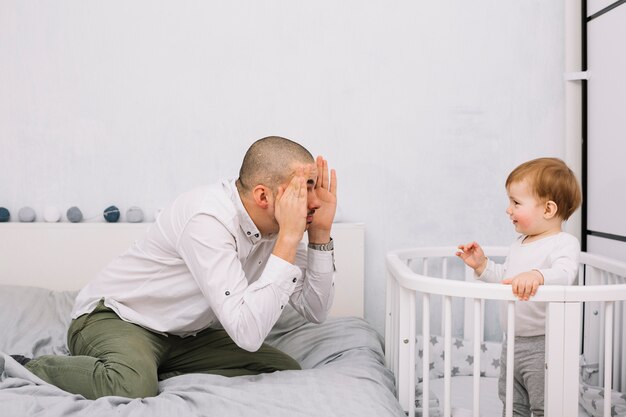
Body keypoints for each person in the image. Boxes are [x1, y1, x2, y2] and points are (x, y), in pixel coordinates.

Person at [15, 136, 338, 400]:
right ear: (263, 195)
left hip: (182, 335)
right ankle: (30, 366)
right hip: (117, 317)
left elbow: (315, 311)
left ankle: (150, 365)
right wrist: (291, 238)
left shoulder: (278, 225)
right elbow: (248, 332)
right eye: (303, 187)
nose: (312, 201)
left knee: (281, 368)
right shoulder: (207, 218)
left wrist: (320, 234)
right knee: (131, 387)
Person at [456, 157, 582, 417]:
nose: (508, 209)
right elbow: (507, 277)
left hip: (544, 343)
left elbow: (565, 274)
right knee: (513, 402)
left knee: (544, 404)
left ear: (548, 210)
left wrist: (537, 275)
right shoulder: (520, 243)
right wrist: (481, 265)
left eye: (516, 202)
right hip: (512, 342)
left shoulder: (563, 243)